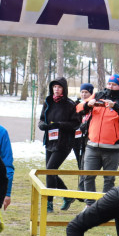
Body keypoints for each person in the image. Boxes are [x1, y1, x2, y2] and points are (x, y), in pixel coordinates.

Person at [79, 74, 119, 199]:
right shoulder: (98, 95)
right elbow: (78, 108)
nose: (110, 86)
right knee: (87, 177)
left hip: (112, 148)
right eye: (109, 84)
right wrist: (88, 104)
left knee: (109, 180)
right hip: (92, 146)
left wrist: (116, 106)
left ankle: (106, 206)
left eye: (114, 84)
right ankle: (90, 205)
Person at [37, 77, 80, 212]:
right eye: (54, 87)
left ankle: (49, 202)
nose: (56, 89)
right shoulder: (48, 102)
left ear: (64, 89)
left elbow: (75, 124)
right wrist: (42, 125)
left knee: (50, 170)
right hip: (50, 141)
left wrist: (59, 125)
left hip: (64, 143)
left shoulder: (70, 104)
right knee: (51, 171)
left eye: (59, 87)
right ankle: (68, 196)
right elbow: (42, 119)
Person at [73, 83, 93, 198]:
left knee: (85, 163)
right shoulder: (77, 105)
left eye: (86, 92)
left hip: (88, 138)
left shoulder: (92, 106)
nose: (84, 94)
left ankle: (83, 189)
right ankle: (81, 188)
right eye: (82, 92)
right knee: (80, 162)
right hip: (77, 138)